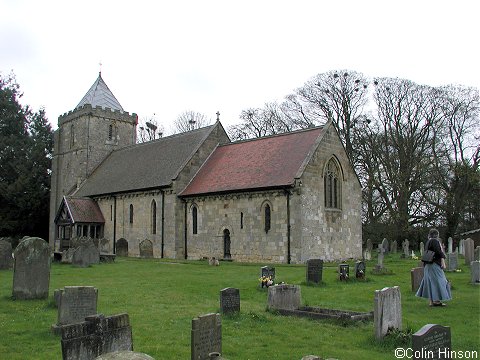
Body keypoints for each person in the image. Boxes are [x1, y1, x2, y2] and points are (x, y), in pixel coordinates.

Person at [416, 228, 452, 306]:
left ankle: (431, 301)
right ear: (437, 235)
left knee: (431, 282)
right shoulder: (434, 241)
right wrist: (443, 259)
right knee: (439, 281)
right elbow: (438, 252)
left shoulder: (428, 242)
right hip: (434, 264)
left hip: (428, 265)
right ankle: (436, 301)